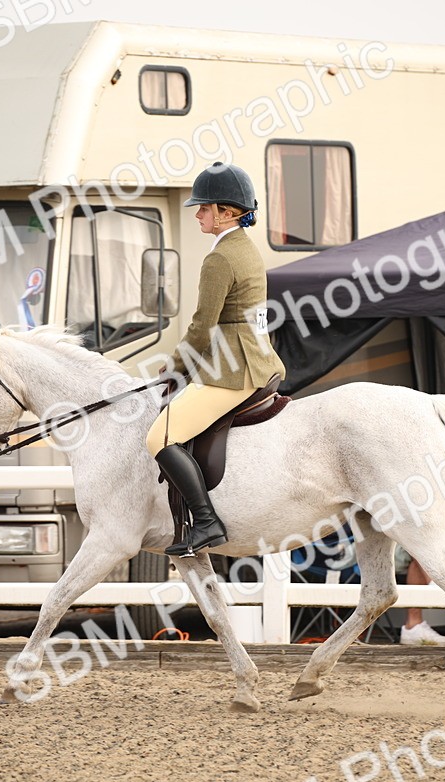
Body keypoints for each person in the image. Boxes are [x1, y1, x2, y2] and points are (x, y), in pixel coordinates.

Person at [147, 162, 286, 557]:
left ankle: (206, 522)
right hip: (254, 356)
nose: (198, 214)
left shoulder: (220, 258)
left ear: (227, 212)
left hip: (232, 367)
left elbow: (201, 327)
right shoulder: (244, 248)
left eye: (204, 208)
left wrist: (175, 369)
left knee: (160, 436)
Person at [395, 547, 445, 646]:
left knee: (416, 558)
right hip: (371, 554)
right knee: (415, 543)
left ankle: (413, 626)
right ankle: (437, 584)